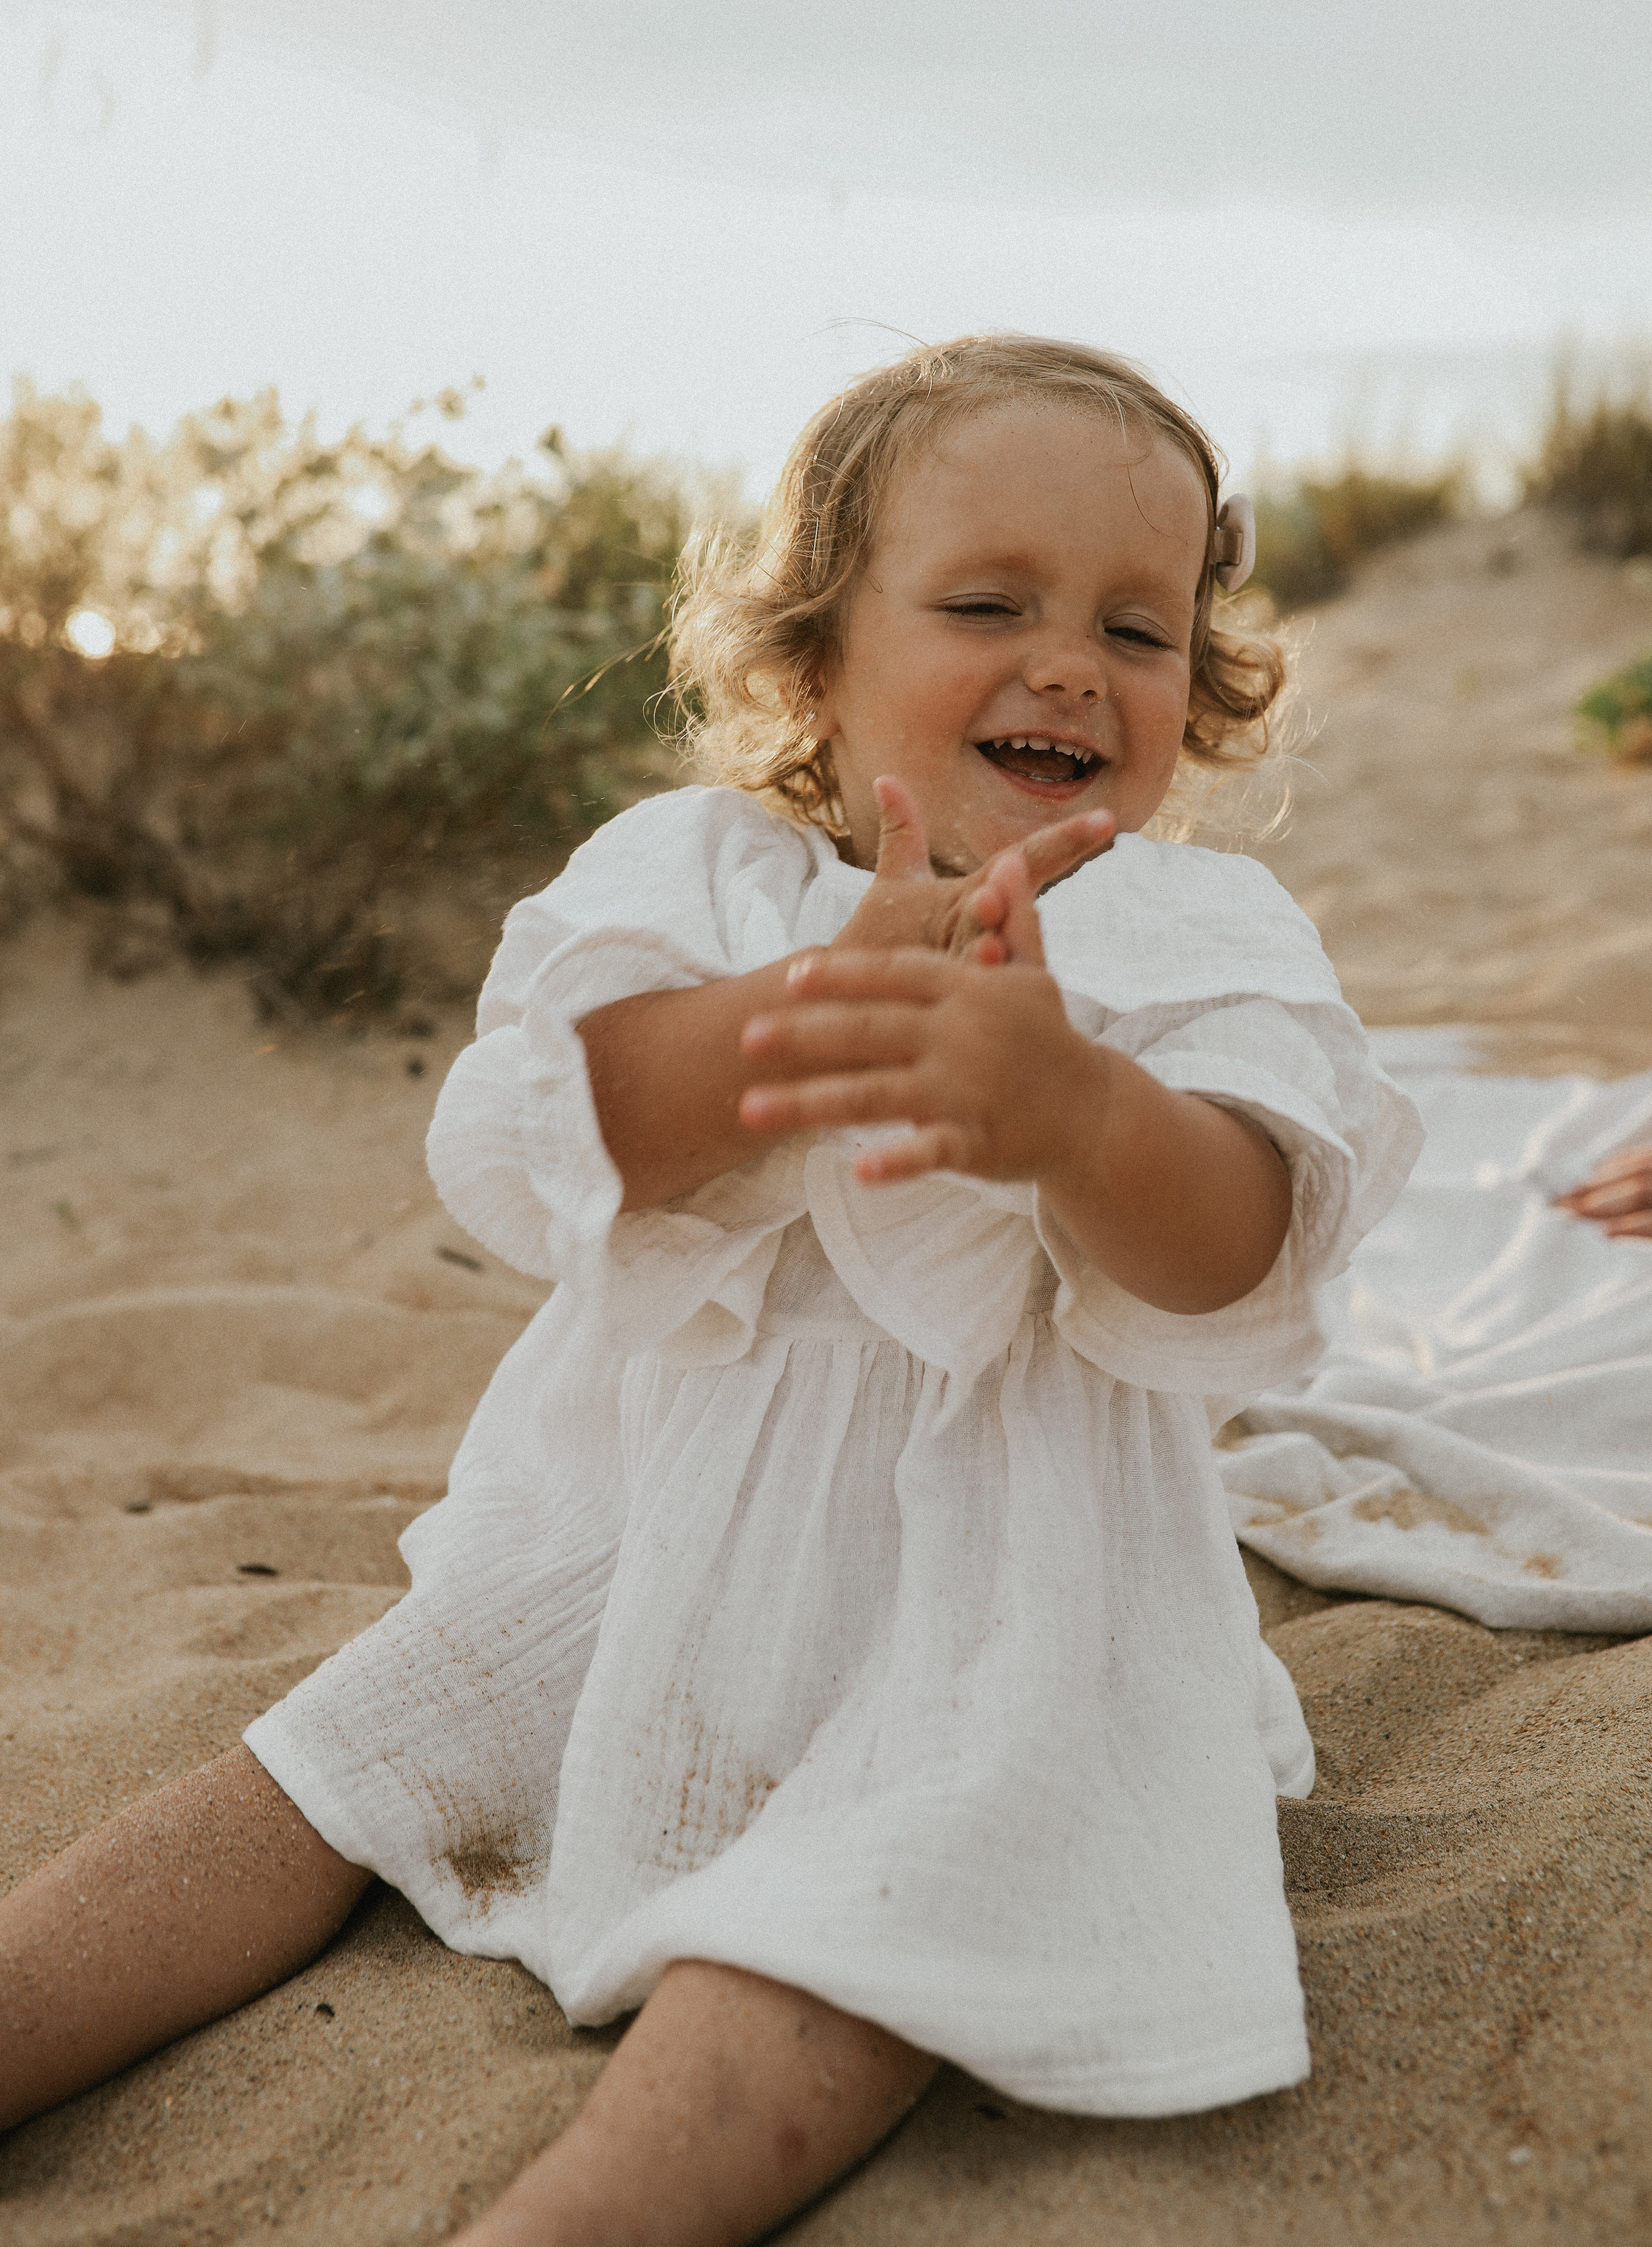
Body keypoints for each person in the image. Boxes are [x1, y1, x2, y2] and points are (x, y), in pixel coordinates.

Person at [0, 335, 1424, 2244]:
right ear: (816, 661)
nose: (1073, 662)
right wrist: (782, 1024)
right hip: (639, 1540)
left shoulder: (1195, 930)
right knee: (318, 1774)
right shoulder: (694, 877)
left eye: (1141, 628)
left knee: (853, 1931)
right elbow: (536, 1139)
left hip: (1002, 1578)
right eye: (989, 602)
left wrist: (1077, 1109)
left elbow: (1251, 1240)